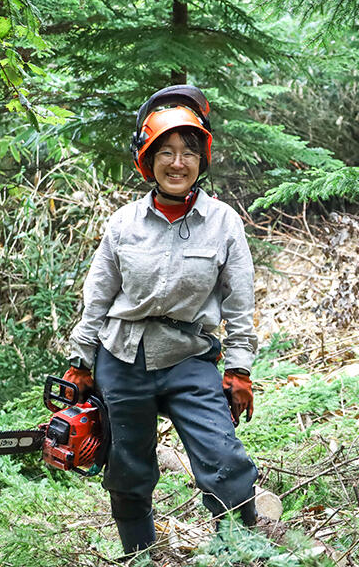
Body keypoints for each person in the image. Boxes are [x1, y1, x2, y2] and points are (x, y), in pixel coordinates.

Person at [63, 85, 259, 557]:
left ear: (201, 159)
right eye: (165, 152)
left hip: (188, 355)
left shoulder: (223, 222)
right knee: (128, 468)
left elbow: (239, 303)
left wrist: (238, 369)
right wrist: (80, 361)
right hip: (122, 355)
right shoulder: (123, 224)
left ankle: (241, 551)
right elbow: (98, 298)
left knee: (225, 460)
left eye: (187, 153)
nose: (177, 163)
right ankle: (139, 555)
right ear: (147, 161)